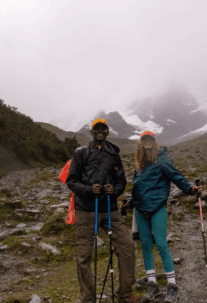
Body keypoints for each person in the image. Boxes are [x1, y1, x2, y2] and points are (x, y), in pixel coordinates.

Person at [66, 118, 141, 303]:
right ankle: (88, 299)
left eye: (103, 129)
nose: (100, 131)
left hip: (110, 208)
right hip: (85, 209)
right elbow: (71, 180)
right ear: (91, 132)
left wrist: (113, 190)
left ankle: (124, 294)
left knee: (127, 246)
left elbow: (121, 181)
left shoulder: (114, 154)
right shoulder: (80, 153)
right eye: (96, 129)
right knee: (84, 256)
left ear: (108, 132)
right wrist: (88, 189)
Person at [122, 130, 202, 303]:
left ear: (155, 141)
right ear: (141, 143)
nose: (148, 142)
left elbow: (176, 176)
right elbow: (137, 186)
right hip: (141, 209)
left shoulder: (163, 159)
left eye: (150, 139)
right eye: (144, 140)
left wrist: (190, 189)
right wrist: (130, 202)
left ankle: (172, 286)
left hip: (157, 207)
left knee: (161, 243)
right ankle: (152, 284)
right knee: (145, 245)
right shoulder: (140, 164)